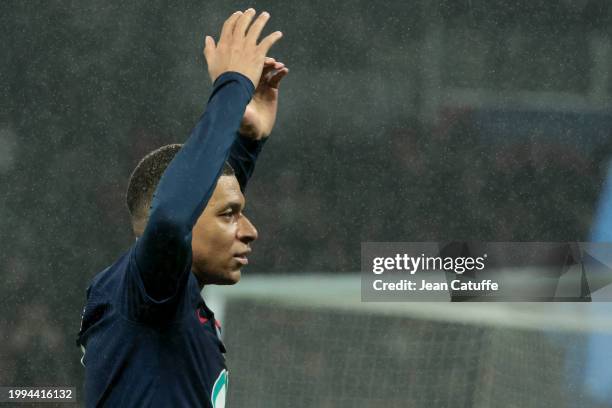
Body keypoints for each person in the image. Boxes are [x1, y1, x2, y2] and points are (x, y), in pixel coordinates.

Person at [76, 9, 288, 407]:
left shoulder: (171, 303)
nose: (250, 230)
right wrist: (232, 87)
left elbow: (204, 199)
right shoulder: (145, 291)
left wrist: (246, 138)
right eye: (231, 216)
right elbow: (176, 216)